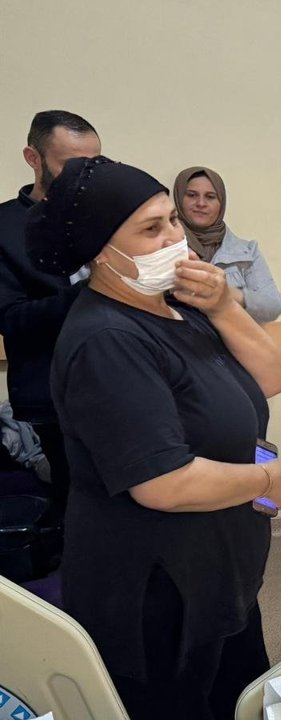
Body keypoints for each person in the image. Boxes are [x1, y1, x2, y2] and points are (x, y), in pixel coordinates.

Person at [32, 156, 281, 719]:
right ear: (102, 251)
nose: (175, 238)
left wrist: (223, 305)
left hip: (219, 575)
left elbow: (273, 377)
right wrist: (267, 480)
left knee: (241, 700)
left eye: (172, 220)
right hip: (157, 592)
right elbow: (163, 483)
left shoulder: (181, 308)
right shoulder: (106, 339)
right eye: (152, 229)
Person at [0, 110, 101, 534]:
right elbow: (11, 319)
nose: (84, 177)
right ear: (33, 158)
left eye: (94, 164)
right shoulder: (5, 227)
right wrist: (91, 291)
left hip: (117, 376)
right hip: (51, 392)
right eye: (71, 165)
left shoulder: (105, 214)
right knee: (75, 502)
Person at [174, 166, 281, 323]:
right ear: (179, 198)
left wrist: (228, 294)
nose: (201, 203)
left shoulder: (247, 251)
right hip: (175, 337)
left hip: (232, 338)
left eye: (210, 197)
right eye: (192, 195)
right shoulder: (164, 246)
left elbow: (272, 306)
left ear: (221, 203)